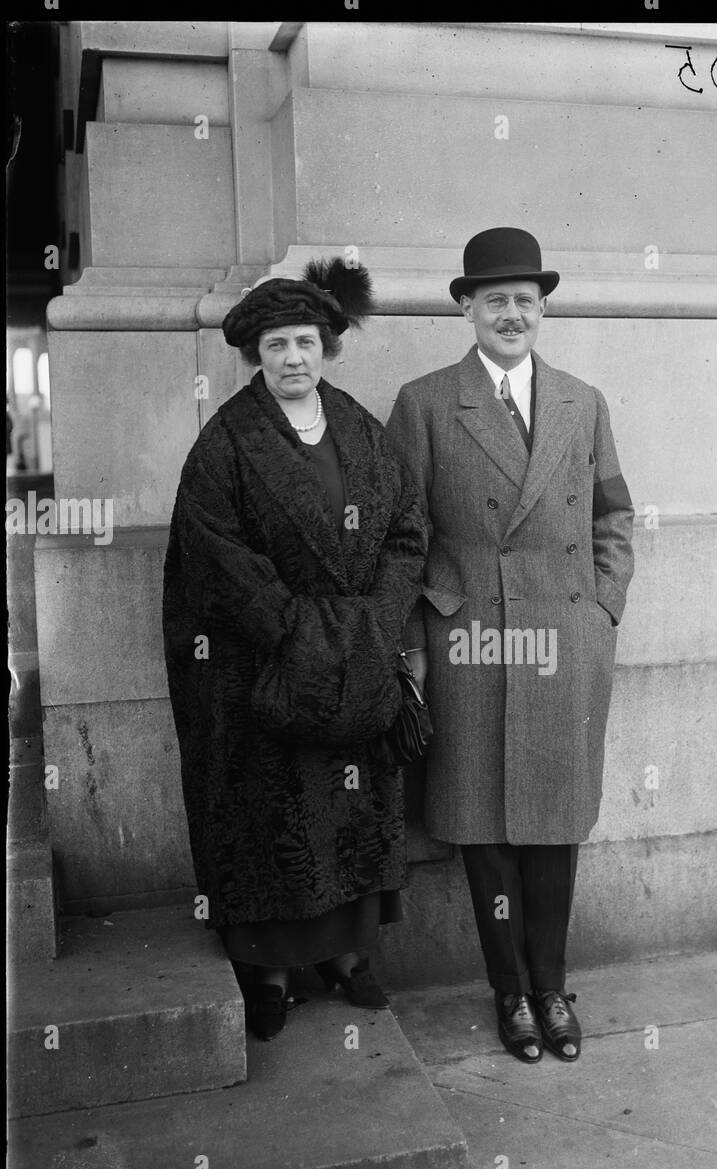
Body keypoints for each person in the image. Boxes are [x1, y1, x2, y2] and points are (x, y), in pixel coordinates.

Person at [386, 227, 634, 1064]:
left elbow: (613, 517)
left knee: (552, 823)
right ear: (465, 307)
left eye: (526, 300)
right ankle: (509, 994)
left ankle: (552, 988)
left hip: (563, 637)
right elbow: (399, 536)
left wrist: (601, 608)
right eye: (494, 299)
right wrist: (423, 631)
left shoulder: (581, 401)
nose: (511, 314)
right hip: (471, 641)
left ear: (542, 309)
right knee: (485, 827)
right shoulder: (424, 403)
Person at [162, 258, 426, 1041]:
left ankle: (344, 955)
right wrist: (300, 632)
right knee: (270, 813)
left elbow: (407, 533)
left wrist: (373, 622)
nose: (292, 360)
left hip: (354, 655)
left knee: (346, 808)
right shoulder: (225, 445)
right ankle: (270, 971)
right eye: (276, 345)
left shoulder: (361, 431)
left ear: (327, 348)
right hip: (263, 663)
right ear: (256, 354)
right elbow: (216, 556)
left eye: (305, 342)